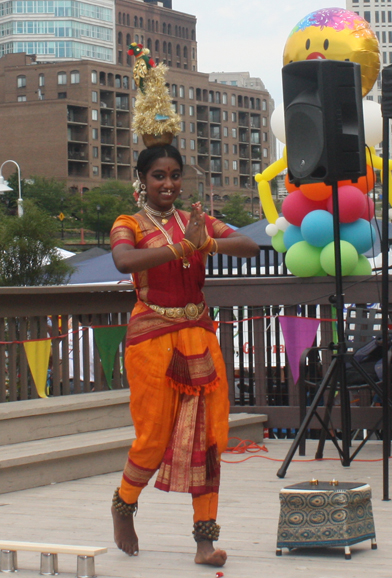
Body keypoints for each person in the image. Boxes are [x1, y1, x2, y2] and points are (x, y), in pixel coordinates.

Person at [110, 143, 260, 567]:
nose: (169, 184)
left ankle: (204, 543)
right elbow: (123, 261)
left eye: (175, 175)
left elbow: (249, 246)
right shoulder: (129, 223)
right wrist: (181, 248)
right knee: (154, 437)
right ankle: (124, 504)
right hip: (152, 339)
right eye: (159, 176)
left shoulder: (196, 222)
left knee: (210, 438)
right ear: (142, 180)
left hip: (198, 336)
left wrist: (206, 241)